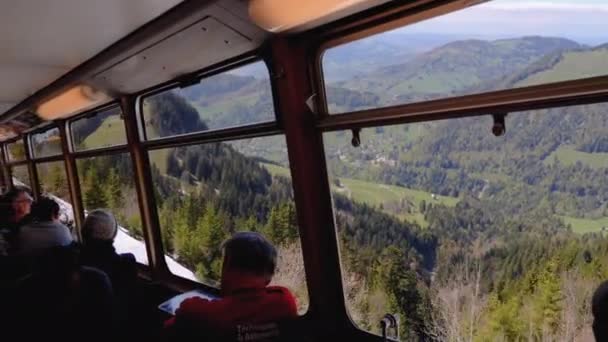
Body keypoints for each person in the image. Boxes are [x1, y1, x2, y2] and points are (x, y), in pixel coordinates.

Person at [165, 232, 298, 337]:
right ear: (268, 277)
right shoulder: (285, 302)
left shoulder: (197, 312)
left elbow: (173, 324)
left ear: (226, 267)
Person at [0, 187, 33, 253]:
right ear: (14, 204)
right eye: (27, 200)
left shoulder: (30, 222)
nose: (31, 203)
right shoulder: (4, 229)